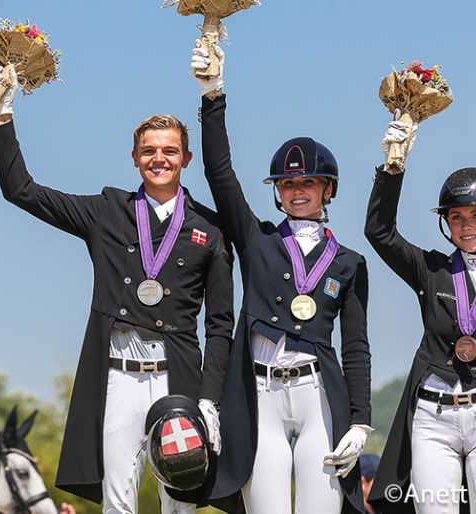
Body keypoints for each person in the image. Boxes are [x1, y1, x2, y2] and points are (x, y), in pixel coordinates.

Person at [0, 66, 234, 514]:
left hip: (177, 380)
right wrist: (3, 118)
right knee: (119, 500)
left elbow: (219, 325)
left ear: (186, 159)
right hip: (118, 376)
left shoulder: (209, 229)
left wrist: (210, 400)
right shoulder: (107, 211)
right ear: (134, 157)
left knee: (180, 504)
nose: (160, 159)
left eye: (170, 151)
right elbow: (21, 191)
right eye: (150, 151)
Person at [190, 42, 372, 514]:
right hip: (259, 396)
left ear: (327, 189)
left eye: (307, 183)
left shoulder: (349, 262)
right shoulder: (257, 241)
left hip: (317, 395)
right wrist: (213, 95)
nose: (297, 192)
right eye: (288, 184)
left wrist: (362, 420)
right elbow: (219, 174)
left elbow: (355, 346)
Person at [364, 115, 476, 514]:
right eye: (456, 217)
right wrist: (393, 167)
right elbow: (379, 232)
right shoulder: (431, 269)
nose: (466, 226)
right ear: (447, 224)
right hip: (433, 415)